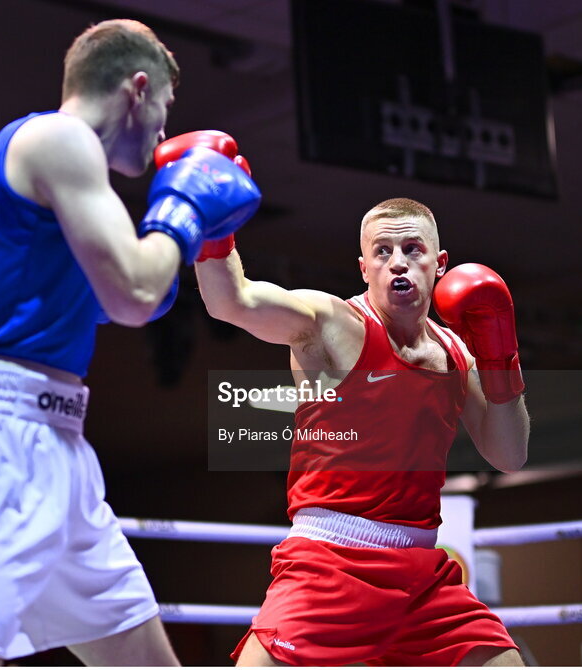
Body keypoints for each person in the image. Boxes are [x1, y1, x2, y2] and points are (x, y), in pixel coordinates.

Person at [0, 20, 260, 666]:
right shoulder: (57, 139)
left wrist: (166, 256)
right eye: (164, 110)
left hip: (58, 443)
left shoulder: (74, 185)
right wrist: (184, 214)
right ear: (137, 89)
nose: (160, 134)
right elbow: (134, 295)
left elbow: (132, 303)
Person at [194, 197, 529, 666]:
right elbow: (231, 301)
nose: (398, 263)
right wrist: (211, 220)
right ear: (364, 267)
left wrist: (501, 360)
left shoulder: (456, 353)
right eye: (383, 251)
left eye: (413, 249)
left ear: (439, 264)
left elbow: (509, 456)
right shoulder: (330, 325)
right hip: (327, 561)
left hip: (421, 578)